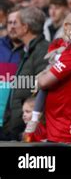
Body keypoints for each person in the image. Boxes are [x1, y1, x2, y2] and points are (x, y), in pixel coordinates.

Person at [36, 8, 71, 143]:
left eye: (67, 24)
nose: (63, 29)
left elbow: (43, 82)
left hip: (66, 128)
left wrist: (41, 76)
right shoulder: (69, 47)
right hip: (57, 125)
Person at [2, 6, 49, 140]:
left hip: (27, 127)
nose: (12, 27)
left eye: (16, 23)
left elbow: (41, 87)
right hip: (15, 124)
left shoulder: (43, 50)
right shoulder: (28, 50)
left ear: (25, 27)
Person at [0, 7, 23, 138]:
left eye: (17, 23)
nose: (12, 27)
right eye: (10, 23)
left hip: (15, 123)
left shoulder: (31, 51)